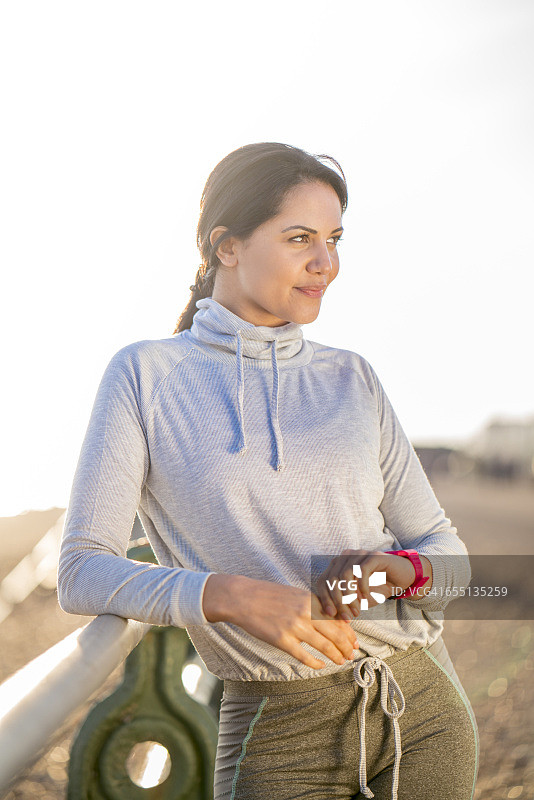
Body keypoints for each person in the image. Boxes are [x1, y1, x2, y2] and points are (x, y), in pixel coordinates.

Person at [58, 142, 479, 800]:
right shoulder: (144, 377)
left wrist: (398, 572)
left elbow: (446, 551)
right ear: (227, 245)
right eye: (300, 238)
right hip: (276, 727)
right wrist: (229, 595)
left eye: (335, 239)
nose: (327, 263)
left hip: (421, 707)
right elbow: (81, 570)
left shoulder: (352, 378)